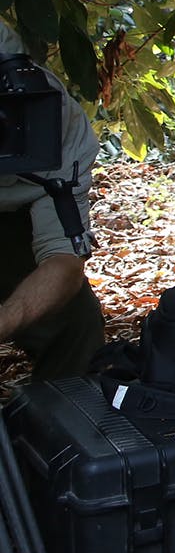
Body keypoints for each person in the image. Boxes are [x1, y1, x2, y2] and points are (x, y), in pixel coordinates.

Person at [0, 21, 101, 383]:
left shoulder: (53, 123)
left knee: (76, 326)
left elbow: (63, 260)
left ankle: (53, 431)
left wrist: (5, 319)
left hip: (10, 217)